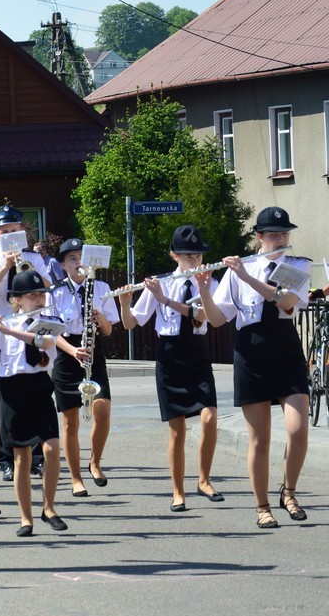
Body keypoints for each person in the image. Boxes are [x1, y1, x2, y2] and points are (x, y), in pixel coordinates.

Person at [204, 207, 310, 529]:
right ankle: (262, 506)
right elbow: (217, 318)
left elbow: (286, 302)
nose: (281, 239)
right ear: (259, 236)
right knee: (259, 438)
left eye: (284, 234)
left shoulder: (296, 265)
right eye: (274, 235)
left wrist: (248, 277)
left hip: (285, 348)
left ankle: (288, 492)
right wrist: (203, 288)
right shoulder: (239, 269)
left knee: (298, 429)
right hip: (251, 352)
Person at [118, 226, 222, 513]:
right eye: (188, 256)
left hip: (197, 353)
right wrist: (125, 304)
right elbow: (132, 322)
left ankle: (204, 480)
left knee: (210, 417)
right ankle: (178, 491)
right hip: (170, 355)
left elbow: (206, 317)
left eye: (198, 255)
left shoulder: (208, 283)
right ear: (174, 255)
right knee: (177, 429)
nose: (195, 260)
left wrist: (168, 300)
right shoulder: (160, 284)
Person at [0, 270, 71, 536]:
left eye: (41, 295)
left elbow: (44, 342)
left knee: (52, 449)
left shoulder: (50, 321)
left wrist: (10, 331)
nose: (39, 299)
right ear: (17, 300)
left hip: (39, 388)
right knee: (21, 457)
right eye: (32, 296)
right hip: (12, 392)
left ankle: (49, 508)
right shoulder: (3, 324)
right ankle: (26, 518)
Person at [0, 206, 52, 482]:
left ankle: (37, 456)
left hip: (30, 327)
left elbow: (48, 287)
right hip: (0, 331)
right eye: (5, 231)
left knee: (35, 393)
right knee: (1, 398)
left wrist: (26, 267)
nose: (10, 234)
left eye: (15, 230)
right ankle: (7, 458)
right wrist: (5, 267)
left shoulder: (33, 257)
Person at [50, 238, 118, 497]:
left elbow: (109, 331)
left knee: (103, 411)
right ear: (63, 265)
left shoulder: (101, 287)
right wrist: (72, 350)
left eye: (81, 257)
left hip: (93, 353)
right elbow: (52, 332)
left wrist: (101, 320)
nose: (78, 262)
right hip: (67, 355)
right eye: (72, 258)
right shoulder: (55, 292)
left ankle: (95, 462)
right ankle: (75, 478)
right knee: (70, 421)